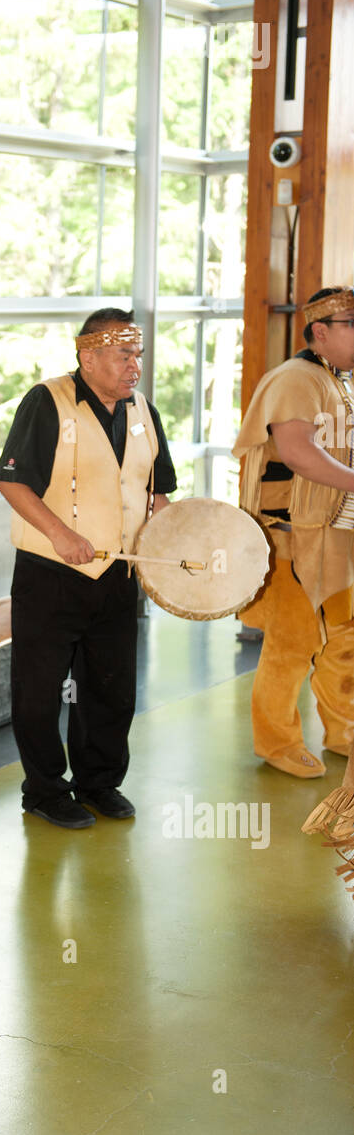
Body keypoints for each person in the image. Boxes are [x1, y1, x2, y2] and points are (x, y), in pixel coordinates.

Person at [0, 308, 177, 829]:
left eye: (137, 355)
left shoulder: (144, 410)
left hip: (119, 574)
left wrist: (177, 543)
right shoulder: (47, 401)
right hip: (50, 573)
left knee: (111, 689)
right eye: (123, 355)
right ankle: (46, 790)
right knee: (39, 690)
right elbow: (11, 481)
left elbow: (156, 492)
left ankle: (99, 783)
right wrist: (60, 533)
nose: (133, 366)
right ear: (88, 355)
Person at [233, 286, 354, 778]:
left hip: (337, 532)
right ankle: (277, 743)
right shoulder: (295, 378)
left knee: (343, 638)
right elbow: (298, 449)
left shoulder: (341, 381)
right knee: (293, 641)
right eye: (350, 323)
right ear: (319, 332)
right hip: (290, 535)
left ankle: (343, 728)